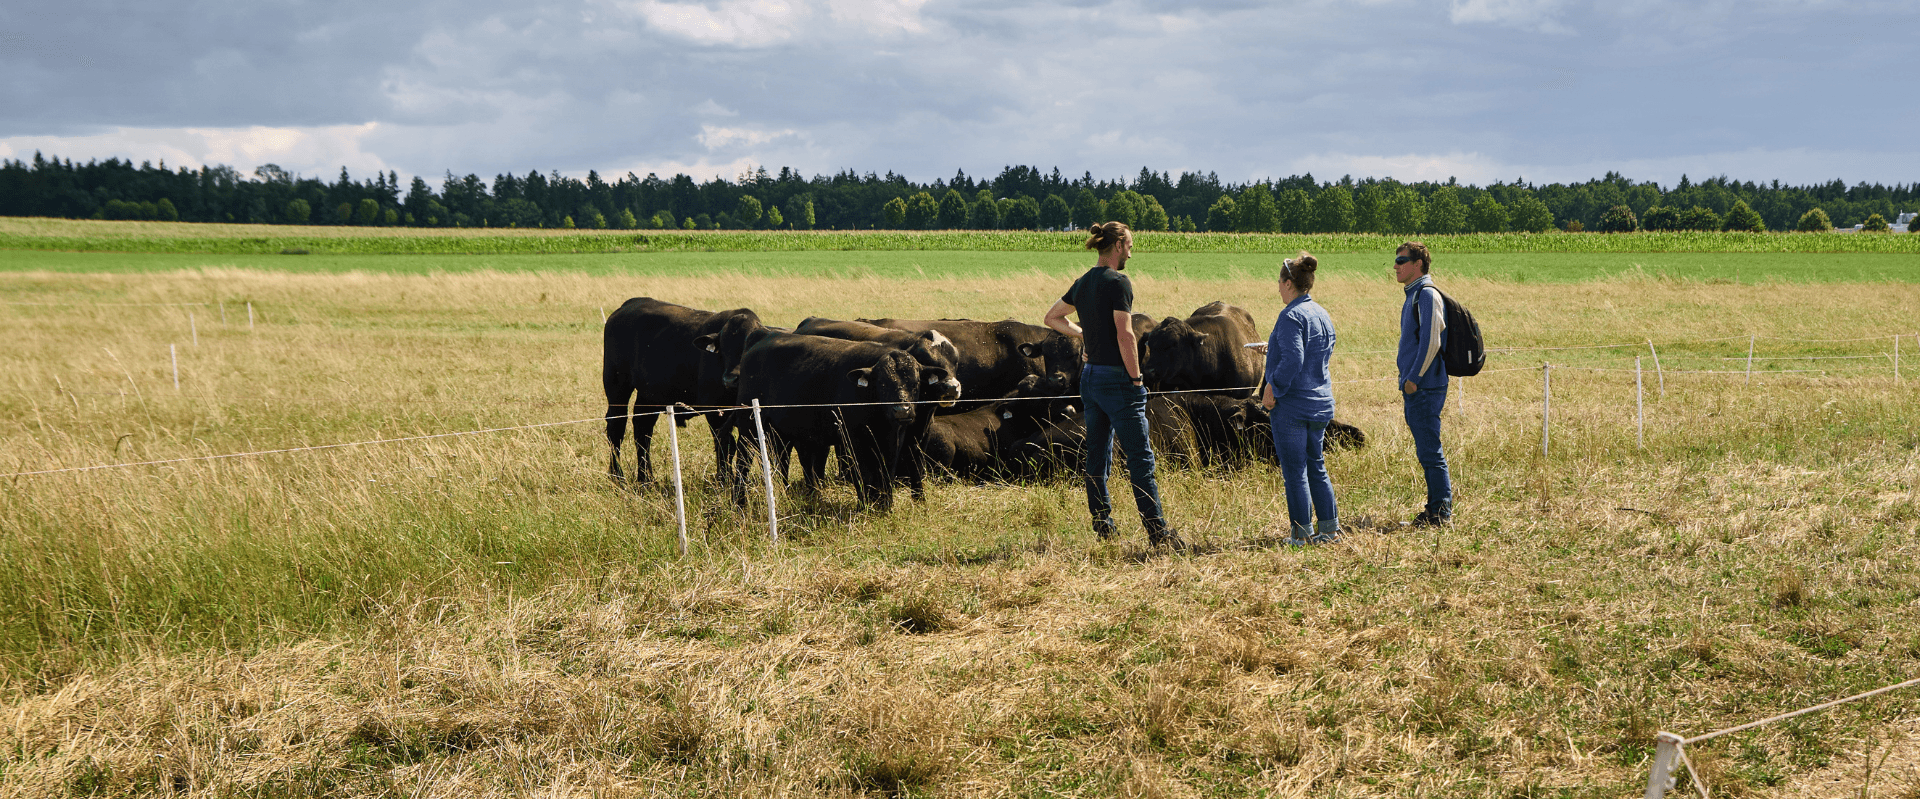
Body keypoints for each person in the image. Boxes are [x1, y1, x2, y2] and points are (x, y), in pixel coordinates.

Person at [1042, 222, 1184, 550]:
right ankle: (1158, 532)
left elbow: (1052, 317)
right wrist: (1136, 378)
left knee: (1097, 454)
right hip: (1118, 379)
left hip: (1089, 378)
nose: (1131, 253)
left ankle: (1104, 526)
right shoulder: (1119, 282)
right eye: (1130, 245)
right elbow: (1125, 333)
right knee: (1141, 458)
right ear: (1118, 245)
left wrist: (1084, 335)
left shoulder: (1082, 283)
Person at [1256, 252, 1339, 544]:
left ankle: (1300, 535)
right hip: (1321, 402)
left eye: (1279, 282)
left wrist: (1271, 387)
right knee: (1316, 464)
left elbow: (1294, 358)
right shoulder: (1321, 312)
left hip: (1293, 406)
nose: (1277, 287)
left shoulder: (1290, 315)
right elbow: (1318, 350)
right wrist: (1274, 348)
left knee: (1295, 472)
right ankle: (1329, 530)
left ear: (1289, 283)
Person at [1394, 241, 1451, 526]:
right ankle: (1435, 510)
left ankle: (1440, 514)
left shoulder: (1426, 295)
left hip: (1425, 387)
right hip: (1419, 386)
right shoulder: (1414, 294)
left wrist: (1413, 379)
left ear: (1418, 264)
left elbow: (1431, 341)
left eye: (1401, 260)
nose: (1395, 265)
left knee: (1430, 450)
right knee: (1427, 450)